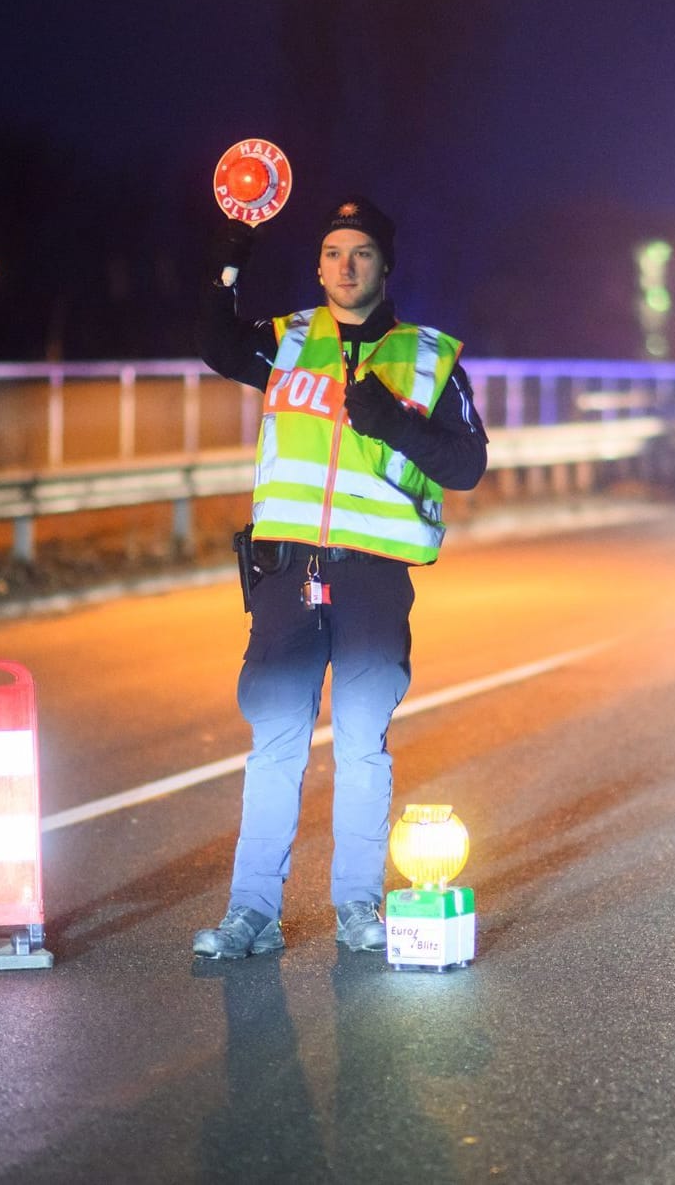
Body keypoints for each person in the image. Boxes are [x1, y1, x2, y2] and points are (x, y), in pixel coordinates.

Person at [191, 196, 489, 960]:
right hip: (288, 572)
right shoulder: (286, 340)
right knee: (276, 743)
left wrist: (392, 421)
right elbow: (211, 340)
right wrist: (234, 250)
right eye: (331, 252)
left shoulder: (427, 356)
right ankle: (251, 913)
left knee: (361, 745)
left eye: (360, 252)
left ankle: (358, 906)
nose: (344, 265)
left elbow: (467, 465)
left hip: (372, 580)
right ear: (318, 264)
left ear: (385, 266)